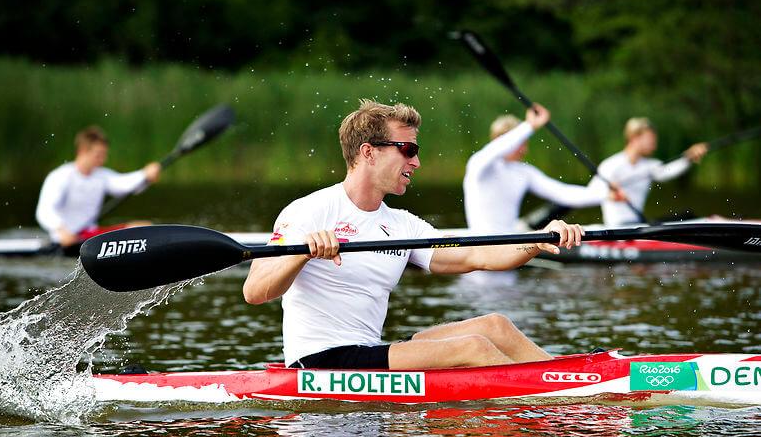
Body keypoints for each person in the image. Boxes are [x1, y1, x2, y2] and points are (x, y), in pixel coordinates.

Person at [243, 99, 585, 371]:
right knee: (473, 347)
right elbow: (255, 292)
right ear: (369, 152)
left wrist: (539, 240)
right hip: (319, 362)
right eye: (408, 149)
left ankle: (565, 379)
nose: (417, 162)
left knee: (494, 326)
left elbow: (476, 255)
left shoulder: (403, 224)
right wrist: (301, 253)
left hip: (369, 352)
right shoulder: (309, 211)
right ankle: (558, 398)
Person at [463, 103, 623, 234]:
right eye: (521, 143)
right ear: (501, 139)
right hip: (480, 245)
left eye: (526, 143)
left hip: (507, 244)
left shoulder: (523, 172)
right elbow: (497, 148)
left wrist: (605, 194)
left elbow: (562, 192)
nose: (525, 149)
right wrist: (529, 126)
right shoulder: (479, 165)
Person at [35, 126, 161, 249]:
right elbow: (44, 211)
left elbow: (123, 184)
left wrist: (145, 175)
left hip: (90, 236)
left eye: (104, 155)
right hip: (64, 239)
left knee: (143, 228)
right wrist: (61, 230)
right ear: (83, 151)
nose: (103, 160)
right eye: (99, 154)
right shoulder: (61, 176)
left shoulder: (101, 175)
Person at [587, 117, 708, 226]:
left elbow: (669, 171)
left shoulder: (649, 166)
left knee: (687, 215)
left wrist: (688, 158)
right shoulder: (611, 165)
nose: (654, 145)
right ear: (634, 138)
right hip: (617, 227)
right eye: (650, 139)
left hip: (639, 224)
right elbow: (591, 193)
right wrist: (610, 195)